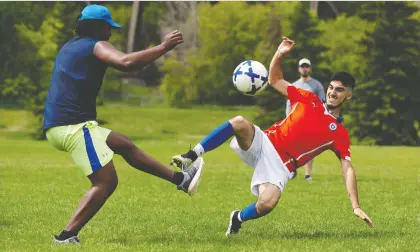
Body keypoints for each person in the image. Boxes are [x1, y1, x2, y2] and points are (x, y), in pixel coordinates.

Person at [171, 37, 374, 236]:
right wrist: (279, 54)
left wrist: (355, 206)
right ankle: (191, 155)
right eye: (331, 88)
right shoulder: (308, 98)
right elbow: (275, 80)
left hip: (281, 165)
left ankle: (237, 218)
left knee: (268, 203)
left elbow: (347, 169)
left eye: (339, 90)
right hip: (265, 142)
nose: (332, 93)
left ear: (348, 95)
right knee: (240, 122)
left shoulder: (339, 134)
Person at [43, 5, 204, 245]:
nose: (111, 32)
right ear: (97, 27)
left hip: (59, 125)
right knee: (106, 182)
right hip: (73, 126)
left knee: (124, 144)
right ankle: (66, 236)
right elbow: (127, 62)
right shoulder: (94, 44)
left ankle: (181, 180)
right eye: (108, 27)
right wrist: (163, 47)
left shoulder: (70, 46)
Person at [286, 58, 325, 181]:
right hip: (296, 120)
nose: (304, 68)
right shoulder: (294, 85)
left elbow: (322, 102)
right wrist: (288, 118)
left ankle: (307, 174)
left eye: (306, 66)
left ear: (310, 68)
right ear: (299, 69)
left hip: (311, 120)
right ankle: (293, 170)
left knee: (308, 148)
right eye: (302, 66)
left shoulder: (316, 85)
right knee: (293, 147)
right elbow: (289, 103)